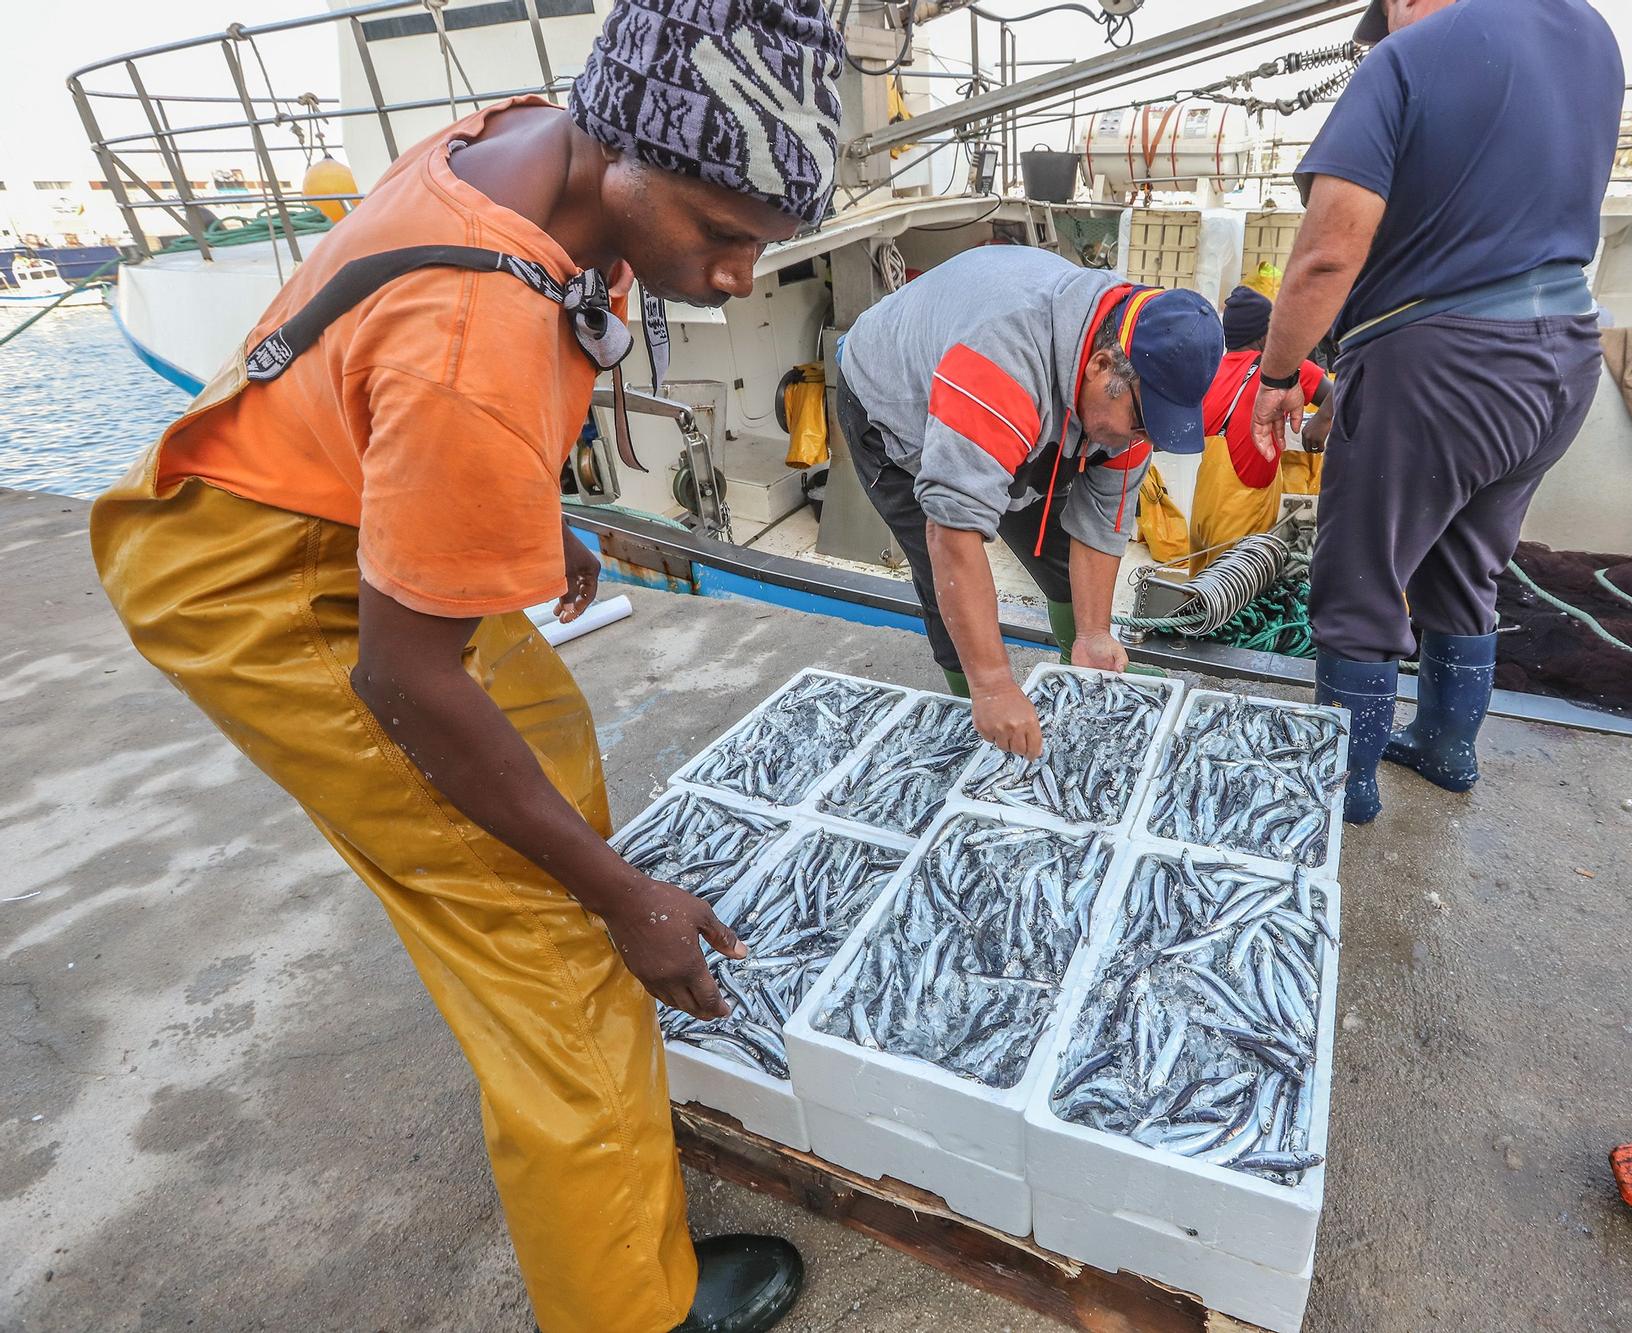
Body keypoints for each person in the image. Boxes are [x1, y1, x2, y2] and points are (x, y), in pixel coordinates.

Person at [89, 3, 843, 1330]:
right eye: (722, 237)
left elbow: (397, 384)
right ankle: (630, 1310)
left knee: (541, 744)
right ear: (622, 161)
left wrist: (508, 507)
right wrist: (619, 895)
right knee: (553, 940)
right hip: (265, 590)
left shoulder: (524, 144)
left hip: (312, 504)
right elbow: (404, 678)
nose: (738, 279)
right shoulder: (471, 341)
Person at [1250, 0, 1622, 823]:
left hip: (1440, 365)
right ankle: (1448, 749)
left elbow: (1327, 252)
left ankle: (1342, 789)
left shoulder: (1405, 58)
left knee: (1360, 583)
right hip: (1564, 355)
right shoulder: (1591, 37)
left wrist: (1280, 375)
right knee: (1468, 567)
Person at [836, 247, 1224, 756]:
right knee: (943, 571)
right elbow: (952, 533)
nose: (1139, 441)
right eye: (1139, 423)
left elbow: (1102, 520)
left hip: (1031, 398)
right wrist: (995, 683)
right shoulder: (1004, 362)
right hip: (890, 403)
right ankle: (980, 718)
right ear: (1101, 367)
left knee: (1060, 554)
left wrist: (1095, 633)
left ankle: (1075, 651)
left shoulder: (1128, 388)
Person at [1187, 284, 1335, 573]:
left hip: (1204, 513)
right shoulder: (1279, 372)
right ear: (1267, 334)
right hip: (1242, 520)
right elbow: (1344, 392)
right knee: (1239, 607)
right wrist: (1323, 419)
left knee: (1199, 603)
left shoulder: (1211, 372)